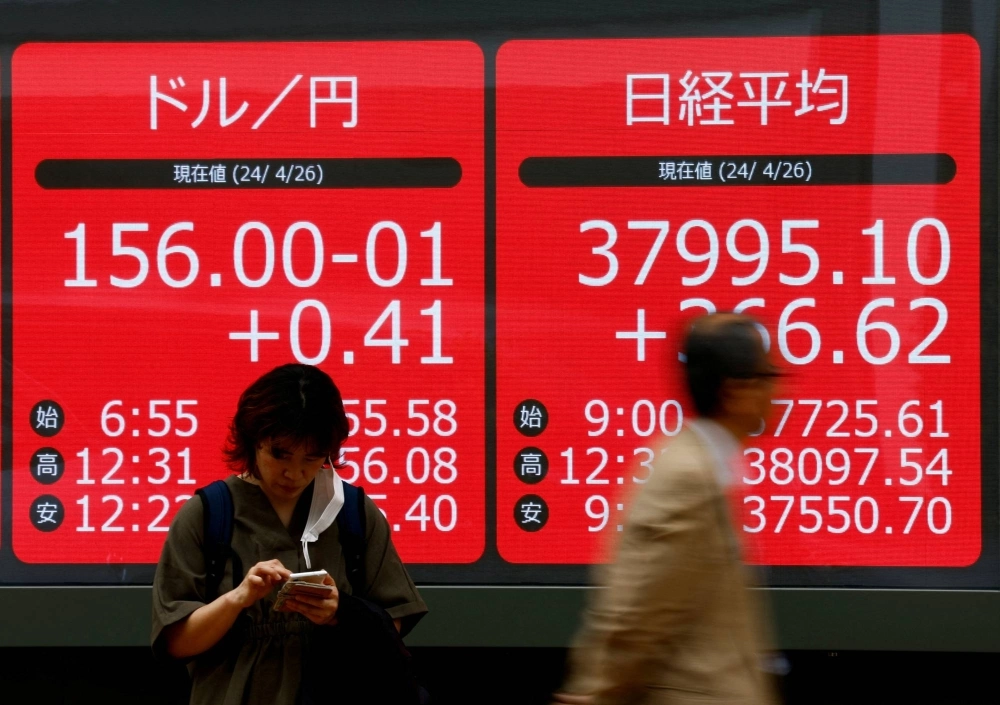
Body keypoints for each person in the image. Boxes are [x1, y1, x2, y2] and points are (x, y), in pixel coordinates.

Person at [152, 363, 427, 705]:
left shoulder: (352, 512)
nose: (294, 473)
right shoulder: (207, 515)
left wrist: (340, 612)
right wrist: (238, 598)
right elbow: (176, 642)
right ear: (253, 440)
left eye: (312, 458)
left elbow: (393, 624)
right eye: (280, 454)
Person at [553, 313, 781, 705]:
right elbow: (634, 617)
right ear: (736, 389)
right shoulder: (686, 477)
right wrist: (594, 695)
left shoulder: (710, 467)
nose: (779, 390)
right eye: (769, 376)